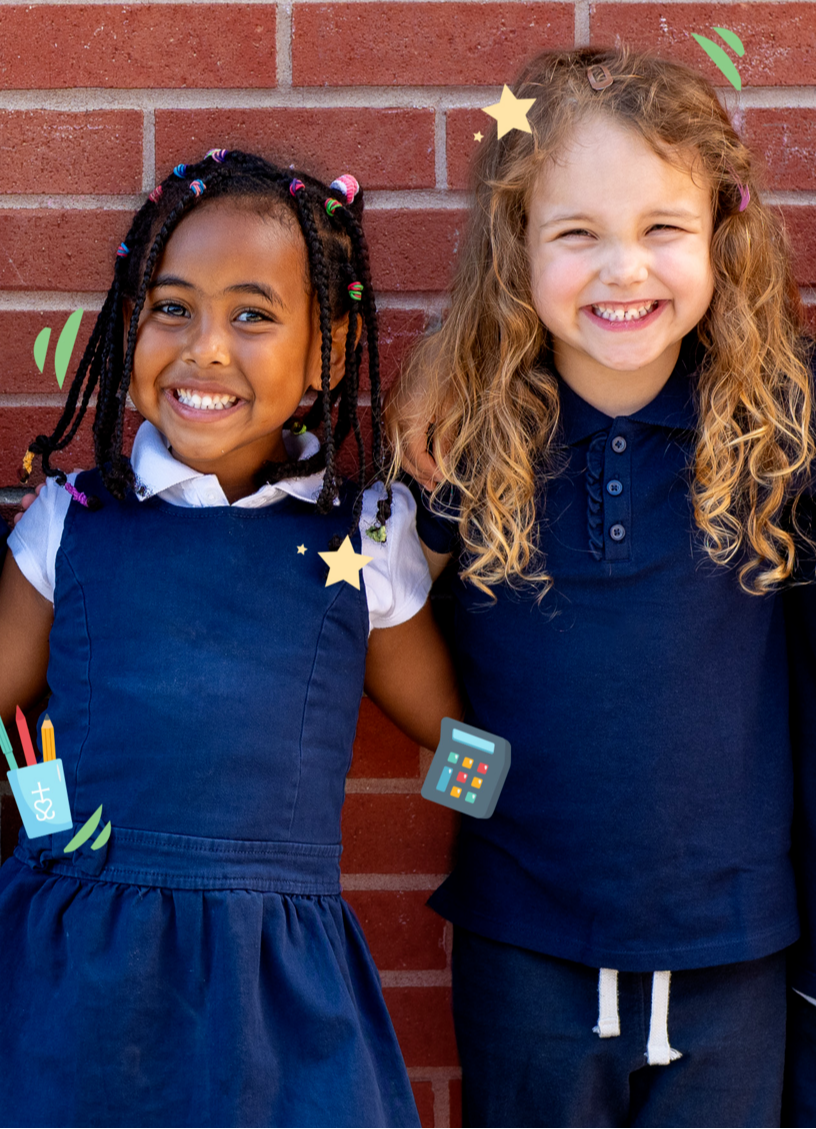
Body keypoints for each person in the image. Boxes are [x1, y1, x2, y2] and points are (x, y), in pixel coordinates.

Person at [0, 149, 458, 1126]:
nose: (202, 348)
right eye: (171, 308)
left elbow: (449, 739)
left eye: (250, 314)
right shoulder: (72, 519)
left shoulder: (364, 535)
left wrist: (551, 811)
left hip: (266, 987)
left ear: (326, 355)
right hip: (71, 964)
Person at [392, 47, 811, 1127]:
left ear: (720, 237)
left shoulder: (774, 430)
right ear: (513, 249)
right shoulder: (464, 442)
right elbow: (370, 614)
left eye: (660, 230)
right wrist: (467, 773)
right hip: (523, 935)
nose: (622, 268)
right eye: (575, 234)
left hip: (736, 943)